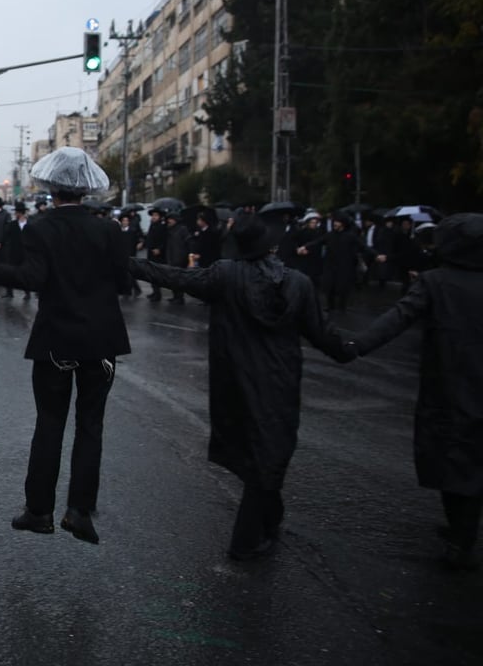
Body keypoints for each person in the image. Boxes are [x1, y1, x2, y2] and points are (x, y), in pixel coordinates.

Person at [129, 212, 353, 560]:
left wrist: (123, 262)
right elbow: (324, 335)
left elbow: (175, 276)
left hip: (235, 382)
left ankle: (268, 517)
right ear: (272, 245)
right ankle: (246, 539)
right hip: (279, 381)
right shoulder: (298, 284)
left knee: (258, 452)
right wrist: (354, 349)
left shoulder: (224, 276)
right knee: (271, 451)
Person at [0, 147, 130, 546]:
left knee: (49, 423)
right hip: (101, 342)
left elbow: (32, 278)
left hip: (55, 341)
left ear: (51, 187)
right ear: (85, 188)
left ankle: (39, 511)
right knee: (91, 425)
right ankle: (80, 511)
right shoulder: (108, 229)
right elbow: (124, 281)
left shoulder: (40, 228)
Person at [344, 214, 483, 570]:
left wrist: (356, 345)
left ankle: (461, 536)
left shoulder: (436, 282)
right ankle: (462, 529)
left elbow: (399, 317)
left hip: (449, 381)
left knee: (453, 455)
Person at [298, 211, 382, 313]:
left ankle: (342, 306)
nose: (335, 224)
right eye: (334, 222)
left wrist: (376, 254)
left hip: (344, 265)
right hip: (330, 265)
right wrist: (304, 247)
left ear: (343, 224)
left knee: (342, 287)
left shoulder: (350, 236)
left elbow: (363, 246)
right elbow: (317, 242)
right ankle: (330, 305)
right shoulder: (330, 235)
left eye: (337, 222)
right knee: (329, 286)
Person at [165, 212, 191, 304]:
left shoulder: (182, 229)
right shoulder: (169, 229)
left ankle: (180, 297)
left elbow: (188, 242)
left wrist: (188, 256)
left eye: (171, 219)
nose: (169, 221)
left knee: (179, 278)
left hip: (180, 258)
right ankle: (175, 296)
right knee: (173, 279)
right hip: (171, 257)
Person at [144, 208, 168, 302]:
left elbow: (164, 240)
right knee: (151, 274)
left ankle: (157, 294)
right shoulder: (152, 225)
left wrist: (159, 249)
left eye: (156, 215)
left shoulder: (162, 226)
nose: (154, 217)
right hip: (151, 253)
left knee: (156, 274)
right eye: (153, 215)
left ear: (160, 217)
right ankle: (154, 292)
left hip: (158, 255)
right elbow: (149, 237)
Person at [118, 212, 144, 297]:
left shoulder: (132, 230)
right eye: (123, 220)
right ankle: (134, 289)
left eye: (127, 220)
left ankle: (129, 290)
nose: (125, 222)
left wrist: (140, 243)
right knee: (126, 273)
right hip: (122, 254)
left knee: (129, 272)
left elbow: (139, 238)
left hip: (131, 253)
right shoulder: (119, 231)